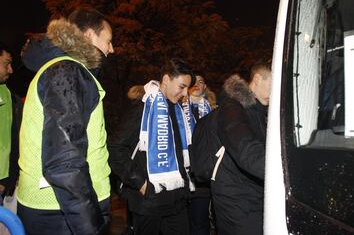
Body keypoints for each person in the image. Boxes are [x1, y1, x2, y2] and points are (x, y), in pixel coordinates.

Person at [17, 7, 114, 235]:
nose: (112, 48)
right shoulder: (68, 71)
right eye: (108, 40)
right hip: (61, 212)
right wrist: (89, 225)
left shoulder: (62, 69)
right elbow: (64, 160)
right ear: (90, 35)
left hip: (60, 208)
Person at [109, 58, 195, 235]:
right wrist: (140, 184)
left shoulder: (179, 112)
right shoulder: (143, 109)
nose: (185, 93)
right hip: (149, 204)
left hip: (177, 200)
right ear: (166, 80)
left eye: (187, 87)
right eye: (182, 86)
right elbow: (115, 148)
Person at [211, 61, 271, 235]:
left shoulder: (263, 110)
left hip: (255, 193)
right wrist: (281, 173)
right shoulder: (233, 106)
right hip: (235, 197)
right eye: (273, 83)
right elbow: (246, 148)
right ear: (258, 79)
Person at [182, 73, 215, 235]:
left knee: (200, 224)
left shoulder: (214, 111)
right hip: (181, 176)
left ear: (205, 87)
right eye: (193, 82)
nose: (196, 85)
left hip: (202, 178)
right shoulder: (175, 108)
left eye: (200, 82)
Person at [0, 42, 22, 205]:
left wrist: (8, 179)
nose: (11, 70)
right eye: (6, 63)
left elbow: (13, 140)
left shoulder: (10, 98)